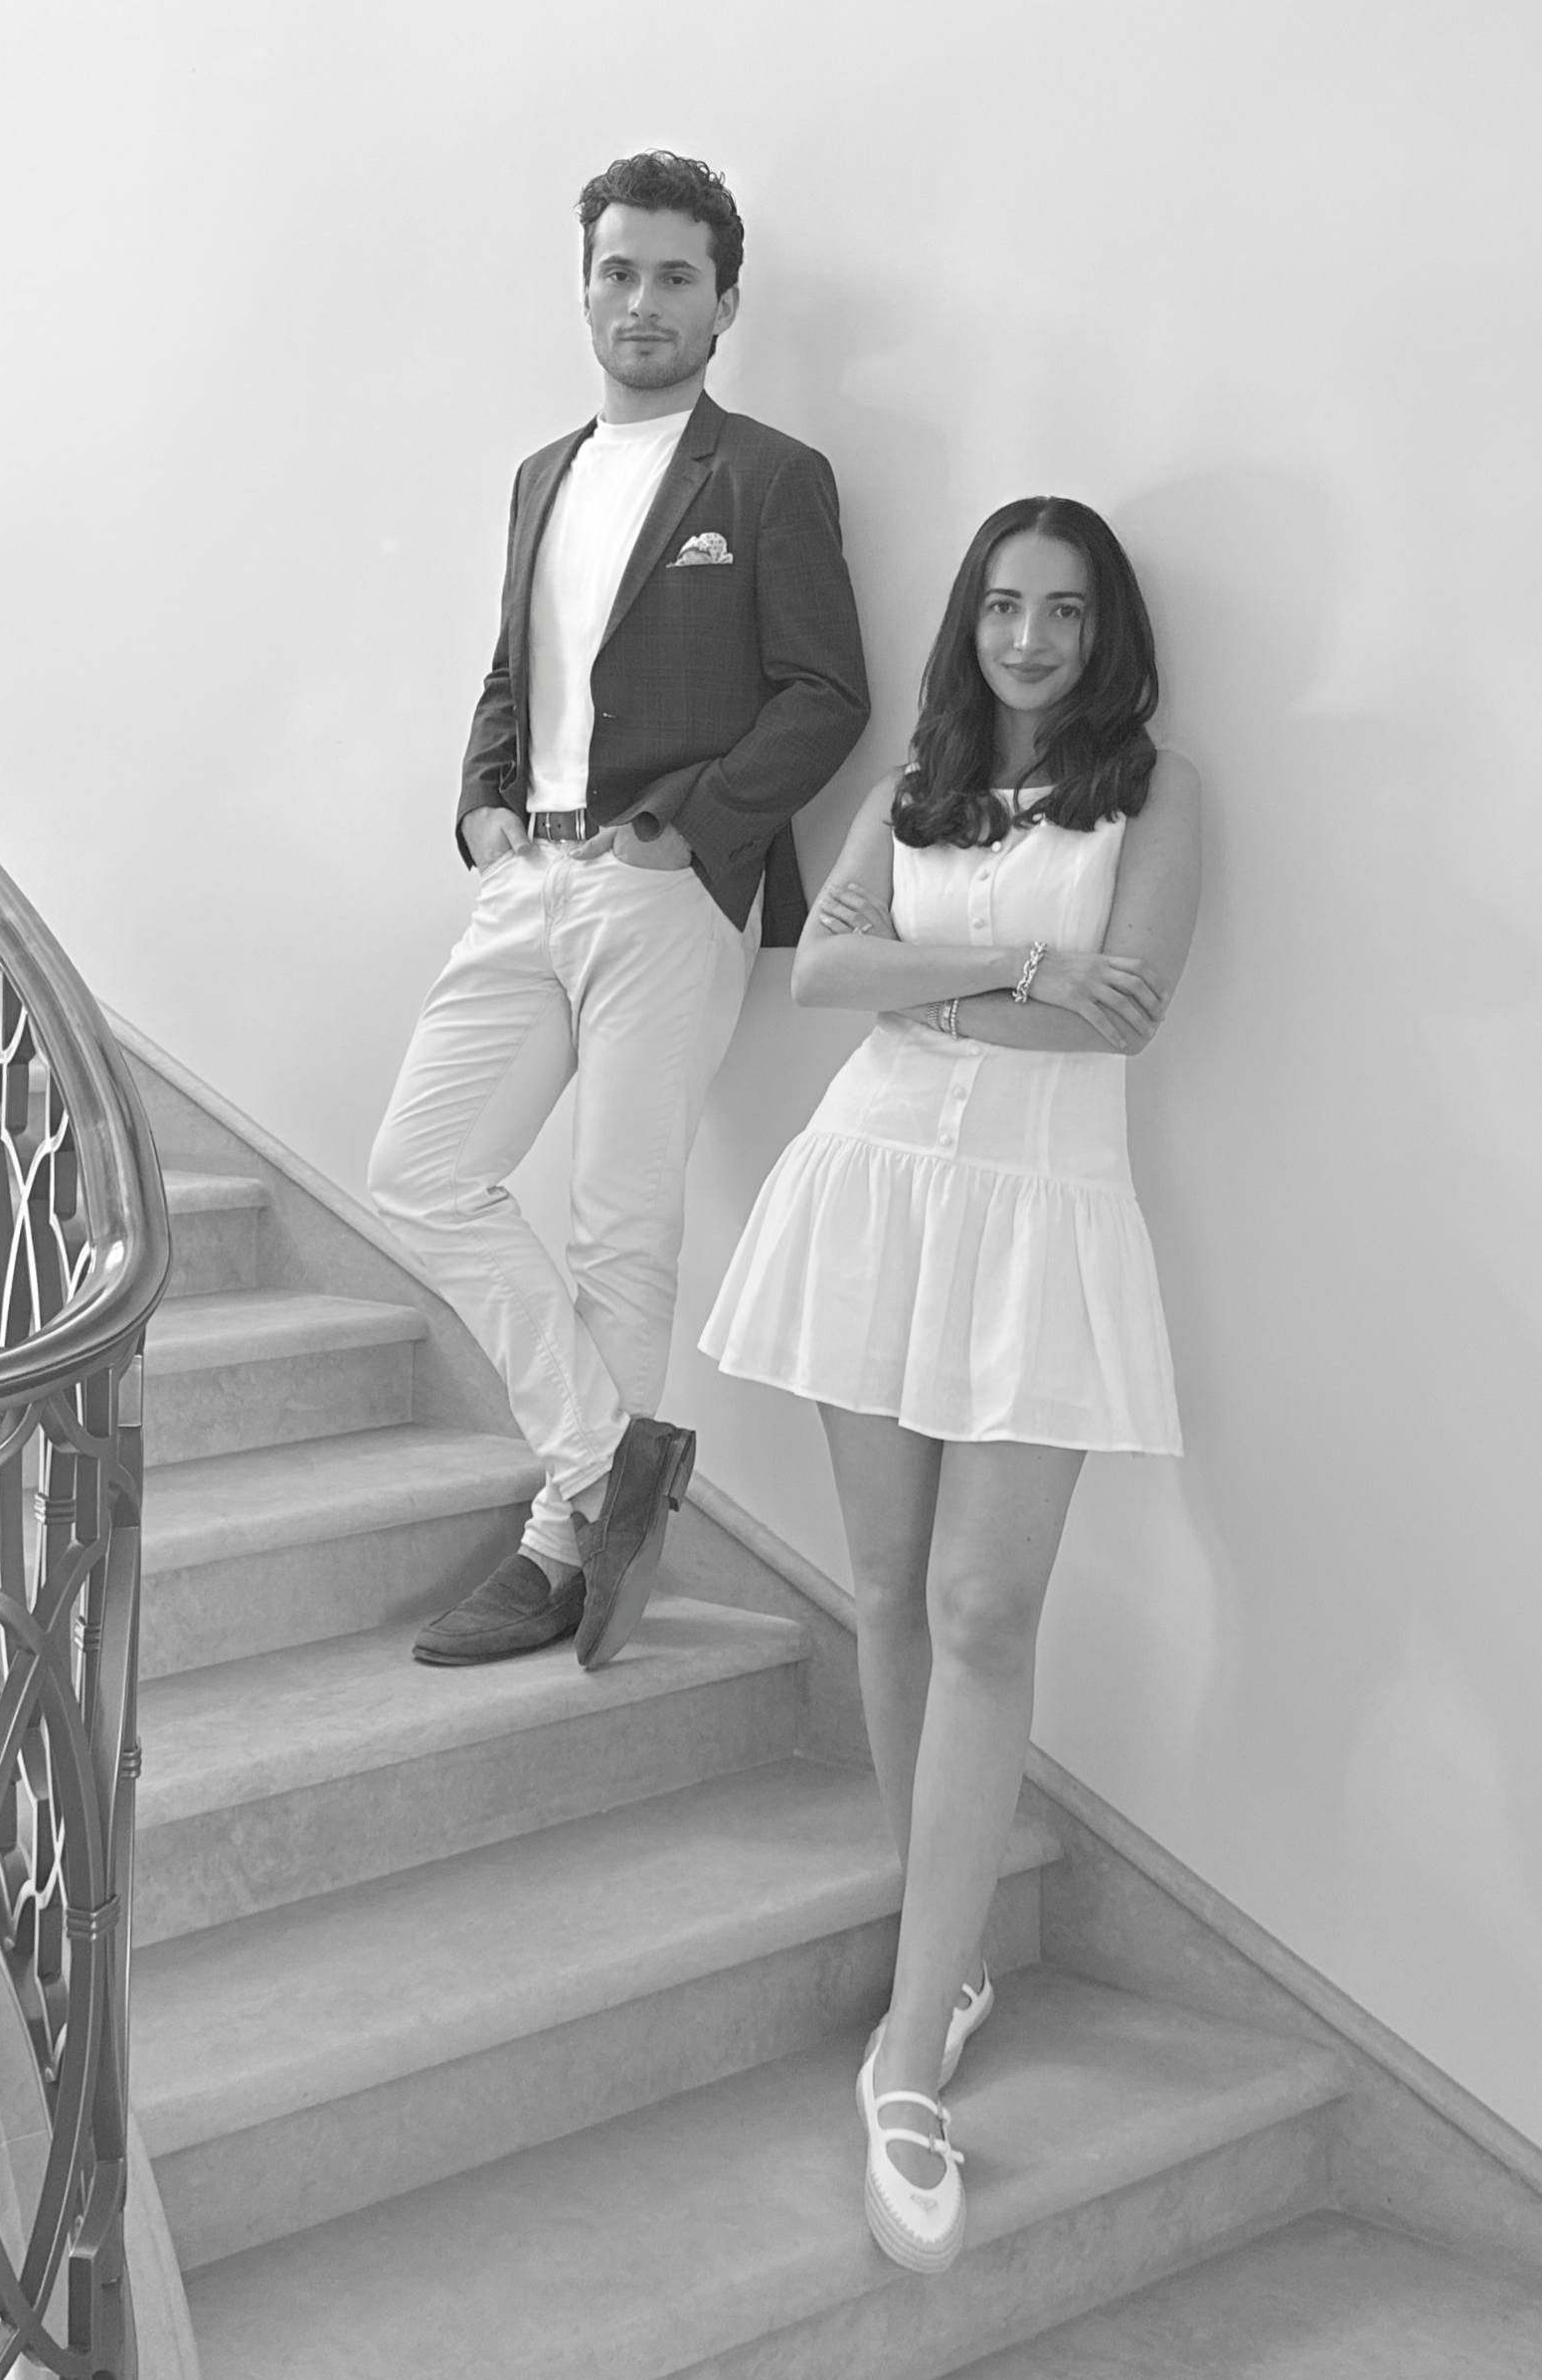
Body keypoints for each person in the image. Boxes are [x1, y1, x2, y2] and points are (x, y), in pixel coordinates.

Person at [700, 496, 1201, 2270]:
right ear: (967, 620)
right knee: (892, 1592)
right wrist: (1003, 963)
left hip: (1040, 1215)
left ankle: (908, 2058)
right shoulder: (914, 776)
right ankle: (954, 1947)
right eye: (1002, 603)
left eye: (1063, 609)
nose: (1029, 635)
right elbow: (819, 964)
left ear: (1103, 627)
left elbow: (1123, 1012)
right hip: (869, 1189)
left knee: (988, 1606)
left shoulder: (1155, 791)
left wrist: (940, 993)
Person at [370, 150, 870, 1672]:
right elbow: (510, 674)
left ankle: (556, 1544)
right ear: (582, 285)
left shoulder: (768, 477)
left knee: (619, 1229)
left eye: (670, 275)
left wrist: (689, 830)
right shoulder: (544, 473)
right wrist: (480, 804)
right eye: (615, 270)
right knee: (417, 1173)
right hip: (530, 878)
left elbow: (823, 692)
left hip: (666, 888)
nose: (638, 300)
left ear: (725, 300)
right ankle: (607, 1473)